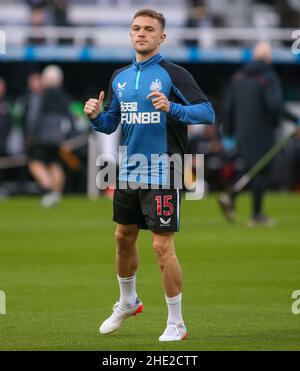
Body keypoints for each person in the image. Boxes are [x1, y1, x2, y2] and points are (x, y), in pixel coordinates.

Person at [84, 9, 215, 341]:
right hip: (129, 171)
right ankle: (128, 301)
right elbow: (111, 123)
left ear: (162, 37)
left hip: (164, 170)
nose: (141, 33)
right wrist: (97, 116)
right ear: (130, 35)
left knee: (161, 246)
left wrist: (174, 108)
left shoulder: (174, 74)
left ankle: (177, 323)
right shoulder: (120, 77)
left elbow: (207, 111)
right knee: (122, 238)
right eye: (136, 28)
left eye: (149, 29)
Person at [220, 42, 300, 226]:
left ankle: (232, 197)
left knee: (249, 168)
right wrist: (294, 119)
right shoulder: (268, 77)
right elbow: (273, 105)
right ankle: (255, 214)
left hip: (242, 133)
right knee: (261, 171)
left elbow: (228, 106)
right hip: (263, 133)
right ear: (267, 57)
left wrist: (229, 133)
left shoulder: (238, 77)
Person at [28, 65, 73, 207]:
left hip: (43, 135)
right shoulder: (64, 97)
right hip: (59, 136)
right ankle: (56, 194)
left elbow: (34, 116)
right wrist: (66, 137)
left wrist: (31, 134)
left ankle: (48, 191)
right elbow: (70, 119)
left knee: (35, 163)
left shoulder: (42, 95)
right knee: (55, 164)